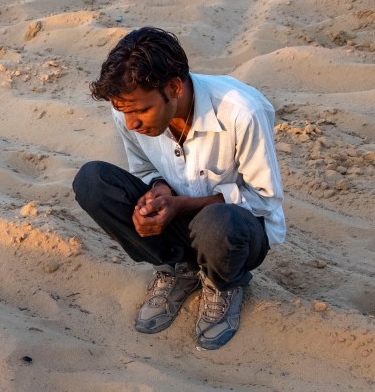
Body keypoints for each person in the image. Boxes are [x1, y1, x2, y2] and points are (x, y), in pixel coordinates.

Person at [73, 27, 285, 350]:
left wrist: (181, 204)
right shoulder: (128, 107)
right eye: (124, 111)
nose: (131, 123)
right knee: (92, 182)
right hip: (179, 222)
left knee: (217, 223)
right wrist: (158, 189)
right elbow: (145, 169)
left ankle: (223, 283)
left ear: (174, 88)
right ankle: (177, 269)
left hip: (237, 231)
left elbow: (264, 200)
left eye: (140, 111)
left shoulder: (242, 112)